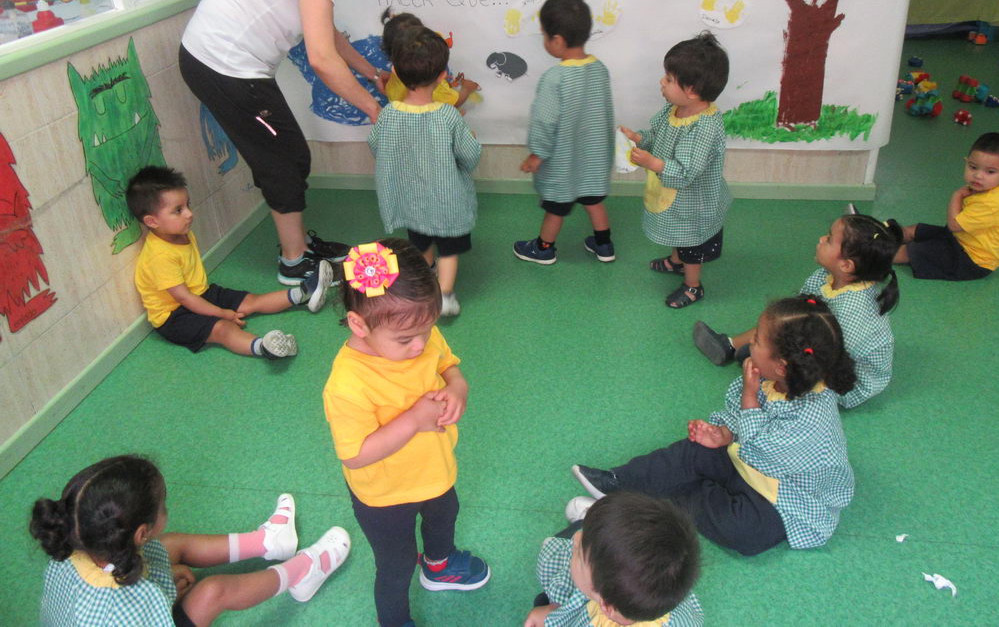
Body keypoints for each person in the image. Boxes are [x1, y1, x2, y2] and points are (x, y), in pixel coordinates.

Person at [179, 0, 402, 286]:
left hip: (232, 65)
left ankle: (298, 244)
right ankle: (294, 263)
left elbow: (327, 33)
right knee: (282, 160)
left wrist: (371, 72)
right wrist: (375, 109)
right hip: (222, 66)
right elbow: (320, 58)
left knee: (290, 155)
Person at [572, 295, 856, 555]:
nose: (749, 344)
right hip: (746, 460)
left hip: (783, 498)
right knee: (693, 451)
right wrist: (723, 433)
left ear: (782, 365)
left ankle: (660, 501)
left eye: (756, 341)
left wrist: (748, 396)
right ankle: (620, 481)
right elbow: (738, 421)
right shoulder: (773, 379)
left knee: (745, 533)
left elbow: (760, 454)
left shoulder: (812, 416)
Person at [323, 239, 490, 627]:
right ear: (358, 324)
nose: (420, 345)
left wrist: (458, 387)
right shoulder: (347, 384)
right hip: (384, 495)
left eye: (427, 330)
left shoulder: (420, 333)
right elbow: (356, 454)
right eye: (405, 340)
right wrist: (414, 420)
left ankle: (439, 565)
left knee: (445, 515)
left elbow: (448, 364)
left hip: (434, 469)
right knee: (395, 567)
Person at [30, 455, 350, 627]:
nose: (166, 509)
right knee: (212, 592)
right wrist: (162, 598)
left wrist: (162, 580)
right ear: (141, 532)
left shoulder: (74, 543)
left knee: (170, 545)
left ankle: (268, 542)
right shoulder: (119, 610)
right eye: (163, 506)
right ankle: (303, 572)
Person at [694, 214, 902, 409]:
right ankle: (731, 346)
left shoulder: (855, 312)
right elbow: (793, 316)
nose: (821, 239)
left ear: (846, 265)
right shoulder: (826, 276)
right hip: (818, 342)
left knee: (768, 355)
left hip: (842, 377)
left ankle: (764, 361)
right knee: (779, 322)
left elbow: (832, 358)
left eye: (829, 239)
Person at [127, 166, 332, 359]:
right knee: (223, 329)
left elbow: (193, 294)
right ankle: (264, 348)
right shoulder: (159, 256)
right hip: (174, 317)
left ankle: (305, 293)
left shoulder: (180, 233)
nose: (189, 214)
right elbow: (185, 299)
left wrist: (217, 306)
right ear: (151, 221)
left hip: (199, 293)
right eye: (178, 210)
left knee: (251, 300)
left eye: (187, 205)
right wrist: (220, 312)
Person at [368, 27, 482, 317]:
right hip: (446, 200)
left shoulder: (389, 114)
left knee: (419, 242)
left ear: (394, 71)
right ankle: (444, 295)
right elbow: (470, 155)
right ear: (443, 75)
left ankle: (424, 281)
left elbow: (375, 146)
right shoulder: (449, 116)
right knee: (449, 249)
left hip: (411, 199)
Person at [620, 32, 731, 308]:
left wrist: (651, 163)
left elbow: (685, 172)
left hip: (693, 201)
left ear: (691, 89)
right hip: (671, 195)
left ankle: (693, 286)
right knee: (676, 230)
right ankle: (676, 260)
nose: (662, 82)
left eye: (669, 79)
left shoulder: (704, 126)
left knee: (691, 240)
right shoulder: (674, 109)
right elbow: (657, 135)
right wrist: (639, 138)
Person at [513, 0, 615, 265]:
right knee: (594, 202)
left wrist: (537, 154)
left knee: (556, 209)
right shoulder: (600, 69)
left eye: (544, 35)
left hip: (564, 163)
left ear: (557, 41)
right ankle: (604, 245)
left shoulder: (554, 78)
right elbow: (603, 114)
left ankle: (544, 248)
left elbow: (544, 121)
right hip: (593, 159)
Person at [524, 491, 704, 627]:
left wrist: (554, 614)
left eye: (578, 553)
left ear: (606, 606)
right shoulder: (657, 586)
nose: (576, 538)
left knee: (542, 599)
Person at [893, 132, 999, 281]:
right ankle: (879, 237)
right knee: (915, 230)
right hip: (960, 239)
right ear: (966, 162)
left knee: (911, 251)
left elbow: (954, 225)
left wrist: (956, 196)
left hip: (972, 260)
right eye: (973, 167)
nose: (978, 175)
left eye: (990, 172)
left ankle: (868, 257)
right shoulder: (984, 186)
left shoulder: (993, 203)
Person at [377, 7, 480, 113]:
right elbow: (455, 102)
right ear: (441, 76)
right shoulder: (435, 87)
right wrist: (467, 89)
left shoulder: (392, 82)